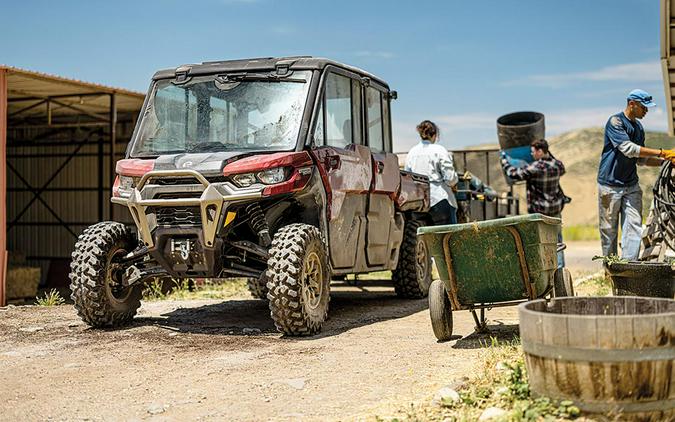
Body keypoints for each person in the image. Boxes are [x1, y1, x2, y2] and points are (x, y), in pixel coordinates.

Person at [597, 89, 675, 260]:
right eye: (643, 107)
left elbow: (641, 160)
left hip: (631, 185)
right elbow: (629, 149)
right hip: (609, 185)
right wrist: (663, 152)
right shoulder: (615, 122)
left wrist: (666, 161)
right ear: (632, 104)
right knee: (609, 231)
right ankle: (610, 268)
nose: (646, 111)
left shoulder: (638, 127)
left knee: (633, 228)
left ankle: (628, 268)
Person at [501, 139, 567, 266]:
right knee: (557, 242)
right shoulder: (558, 165)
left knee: (539, 242)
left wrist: (504, 160)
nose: (531, 155)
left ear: (540, 151)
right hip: (555, 210)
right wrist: (548, 153)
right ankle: (559, 271)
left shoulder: (535, 167)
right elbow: (559, 167)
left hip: (539, 213)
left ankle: (545, 269)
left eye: (533, 152)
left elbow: (513, 173)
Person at [405, 120, 459, 225]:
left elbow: (408, 178)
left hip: (419, 202)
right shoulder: (439, 150)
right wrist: (454, 182)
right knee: (448, 238)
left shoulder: (412, 153)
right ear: (434, 135)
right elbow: (450, 178)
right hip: (440, 199)